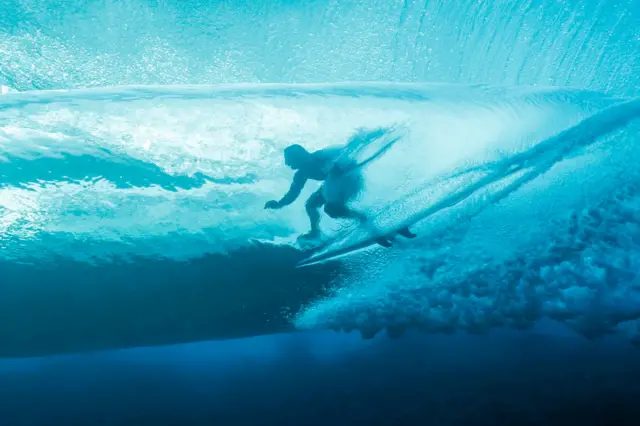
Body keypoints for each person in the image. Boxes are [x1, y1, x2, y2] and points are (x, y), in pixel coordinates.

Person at [264, 142, 416, 247]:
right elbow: (293, 193)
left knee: (332, 209)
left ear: (301, 156)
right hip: (333, 185)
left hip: (350, 181)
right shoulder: (302, 173)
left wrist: (338, 166)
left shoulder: (322, 156)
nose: (288, 164)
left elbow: (345, 156)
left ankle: (376, 227)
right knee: (311, 205)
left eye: (290, 160)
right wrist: (278, 204)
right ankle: (316, 232)